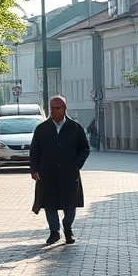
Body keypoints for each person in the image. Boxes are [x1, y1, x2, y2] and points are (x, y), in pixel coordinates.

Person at [30, 95, 90, 246]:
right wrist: (34, 169)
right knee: (49, 204)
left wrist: (76, 164)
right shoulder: (42, 129)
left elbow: (84, 149)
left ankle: (68, 228)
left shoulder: (75, 128)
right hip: (47, 174)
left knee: (70, 204)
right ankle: (54, 232)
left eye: (57, 108)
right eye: (51, 108)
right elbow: (35, 151)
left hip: (69, 173)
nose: (54, 112)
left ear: (64, 109)